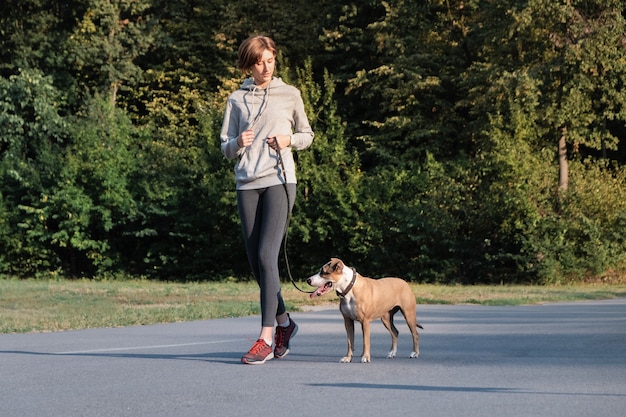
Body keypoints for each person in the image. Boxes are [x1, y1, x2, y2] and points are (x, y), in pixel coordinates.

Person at [220, 35, 314, 365]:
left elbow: (307, 135)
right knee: (256, 263)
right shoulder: (236, 99)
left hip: (279, 180)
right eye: (259, 62)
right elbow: (224, 146)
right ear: (249, 64)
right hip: (247, 184)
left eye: (270, 60)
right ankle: (285, 323)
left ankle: (266, 338)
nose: (266, 67)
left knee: (266, 254)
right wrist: (237, 143)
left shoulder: (290, 95)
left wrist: (288, 139)